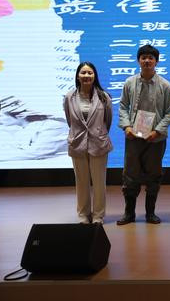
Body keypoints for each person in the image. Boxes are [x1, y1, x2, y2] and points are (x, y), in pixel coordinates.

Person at [117, 45, 170, 225]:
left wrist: (157, 131)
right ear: (138, 61)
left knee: (154, 175)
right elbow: (122, 107)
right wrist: (127, 127)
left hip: (155, 139)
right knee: (130, 175)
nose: (147, 61)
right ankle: (129, 214)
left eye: (151, 58)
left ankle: (150, 213)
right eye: (144, 58)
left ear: (156, 61)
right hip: (133, 137)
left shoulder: (165, 85)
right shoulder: (129, 82)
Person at [63, 62, 113, 224]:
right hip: (78, 143)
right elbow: (69, 120)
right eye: (83, 73)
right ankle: (83, 215)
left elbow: (107, 121)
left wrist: (98, 133)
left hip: (98, 143)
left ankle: (98, 215)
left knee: (99, 182)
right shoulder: (69, 97)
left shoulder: (104, 97)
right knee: (81, 182)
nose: (86, 76)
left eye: (90, 73)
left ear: (94, 76)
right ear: (78, 76)